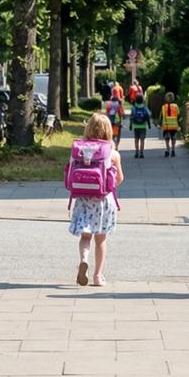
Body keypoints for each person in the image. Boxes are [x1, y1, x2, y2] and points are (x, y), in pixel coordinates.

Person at [70, 112, 123, 288]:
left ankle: (83, 260)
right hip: (103, 200)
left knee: (85, 236)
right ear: (108, 131)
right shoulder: (112, 153)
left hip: (83, 198)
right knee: (100, 239)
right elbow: (119, 179)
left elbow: (70, 172)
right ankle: (98, 276)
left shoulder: (78, 149)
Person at [129, 94, 151, 159]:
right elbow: (147, 117)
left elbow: (131, 117)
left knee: (136, 139)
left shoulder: (133, 108)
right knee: (142, 140)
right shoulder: (145, 107)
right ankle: (141, 153)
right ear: (142, 100)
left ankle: (136, 152)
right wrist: (149, 125)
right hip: (143, 126)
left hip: (135, 126)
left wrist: (130, 125)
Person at [160, 92, 181, 157]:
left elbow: (161, 116)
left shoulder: (163, 107)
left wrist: (159, 124)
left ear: (166, 99)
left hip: (166, 126)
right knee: (173, 138)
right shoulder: (176, 106)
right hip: (174, 125)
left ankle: (167, 149)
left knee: (167, 138)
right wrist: (179, 124)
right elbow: (178, 115)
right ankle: (173, 150)